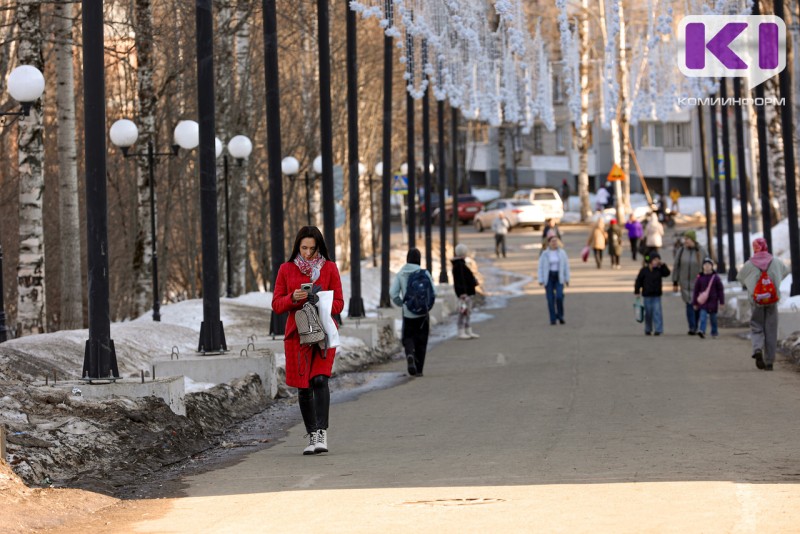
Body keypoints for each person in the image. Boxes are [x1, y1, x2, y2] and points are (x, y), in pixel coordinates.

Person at [272, 226, 344, 455]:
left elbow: (339, 303)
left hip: (323, 334)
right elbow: (276, 304)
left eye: (313, 249)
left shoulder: (330, 268)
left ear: (319, 247)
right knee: (304, 388)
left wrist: (319, 300)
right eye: (304, 248)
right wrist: (293, 297)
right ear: (297, 246)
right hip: (297, 336)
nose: (308, 253)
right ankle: (311, 433)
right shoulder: (286, 269)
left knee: (320, 380)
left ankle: (322, 432)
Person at [736, 238, 791, 371]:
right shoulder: (777, 262)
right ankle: (769, 362)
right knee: (771, 330)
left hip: (756, 302)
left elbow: (740, 279)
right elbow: (785, 272)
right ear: (766, 247)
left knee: (756, 326)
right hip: (772, 300)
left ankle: (757, 349)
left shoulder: (749, 264)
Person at [390, 248, 436, 377]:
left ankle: (410, 354)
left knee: (408, 337)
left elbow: (393, 293)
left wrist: (402, 304)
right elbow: (434, 292)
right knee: (422, 340)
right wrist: (427, 306)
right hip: (423, 314)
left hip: (408, 313)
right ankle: (419, 369)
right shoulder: (424, 273)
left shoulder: (401, 273)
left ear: (407, 258)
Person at [672, 230, 709, 335]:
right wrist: (675, 281)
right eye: (685, 239)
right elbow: (676, 266)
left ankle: (696, 324)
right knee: (689, 304)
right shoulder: (681, 251)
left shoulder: (701, 251)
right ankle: (692, 327)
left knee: (696, 304)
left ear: (693, 240)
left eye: (687, 239)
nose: (685, 241)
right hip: (684, 283)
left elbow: (708, 265)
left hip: (698, 283)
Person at [634, 252, 671, 336]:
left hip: (656, 295)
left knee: (657, 312)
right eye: (655, 260)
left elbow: (667, 273)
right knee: (648, 313)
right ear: (650, 261)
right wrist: (637, 291)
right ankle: (648, 329)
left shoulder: (659, 269)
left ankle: (658, 329)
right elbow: (638, 281)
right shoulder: (644, 270)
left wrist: (662, 265)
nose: (657, 261)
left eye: (658, 260)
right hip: (647, 295)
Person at [538, 234, 570, 325]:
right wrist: (541, 279)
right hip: (549, 277)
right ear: (549, 243)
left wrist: (567, 278)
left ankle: (560, 316)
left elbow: (566, 266)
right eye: (552, 241)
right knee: (550, 299)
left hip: (559, 277)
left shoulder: (562, 253)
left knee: (559, 297)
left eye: (556, 241)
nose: (554, 243)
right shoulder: (545, 254)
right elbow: (540, 267)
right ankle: (553, 318)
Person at [691, 257, 725, 339]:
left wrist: (722, 302)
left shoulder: (716, 278)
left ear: (712, 266)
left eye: (709, 264)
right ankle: (702, 331)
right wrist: (695, 302)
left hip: (713, 301)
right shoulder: (700, 278)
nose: (706, 266)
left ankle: (714, 331)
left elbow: (720, 290)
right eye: (705, 264)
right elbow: (696, 291)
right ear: (702, 266)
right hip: (703, 302)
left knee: (713, 318)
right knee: (703, 317)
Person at [451, 243, 480, 340]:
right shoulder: (459, 265)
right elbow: (461, 280)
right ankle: (461, 331)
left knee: (467, 312)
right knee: (463, 312)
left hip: (467, 292)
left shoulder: (461, 264)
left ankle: (468, 330)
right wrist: (462, 292)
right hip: (464, 293)